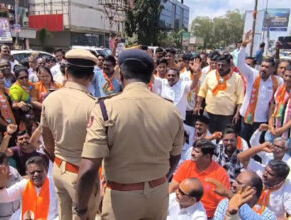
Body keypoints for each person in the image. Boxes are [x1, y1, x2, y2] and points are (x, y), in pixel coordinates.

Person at [75, 49, 184, 220]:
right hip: (158, 193)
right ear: (150, 77)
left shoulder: (105, 109)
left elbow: (89, 168)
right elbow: (175, 156)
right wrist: (156, 180)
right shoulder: (171, 110)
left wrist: (81, 209)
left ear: (121, 75)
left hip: (121, 198)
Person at [41, 48, 100, 220]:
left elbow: (47, 140)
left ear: (66, 72)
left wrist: (59, 159)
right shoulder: (93, 106)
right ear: (91, 77)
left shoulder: (50, 99)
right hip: (82, 176)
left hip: (59, 168)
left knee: (64, 215)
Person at [238, 31, 282, 142]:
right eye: (262, 66)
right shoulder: (252, 74)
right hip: (246, 118)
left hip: (262, 121)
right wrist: (243, 46)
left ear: (272, 69)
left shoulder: (278, 81)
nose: (263, 68)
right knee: (243, 144)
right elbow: (240, 64)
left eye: (267, 67)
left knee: (256, 146)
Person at [170, 140, 231, 218]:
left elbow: (224, 204)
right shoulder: (186, 165)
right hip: (181, 209)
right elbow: (172, 189)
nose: (192, 153)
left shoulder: (220, 174)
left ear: (207, 156)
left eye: (197, 152)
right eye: (193, 150)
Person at [237, 151, 291, 218]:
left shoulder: (289, 190)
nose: (264, 174)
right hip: (245, 214)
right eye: (265, 170)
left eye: (270, 174)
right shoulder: (261, 172)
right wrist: (261, 147)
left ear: (279, 179)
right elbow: (241, 157)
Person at [0, 156, 58, 220]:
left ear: (46, 170)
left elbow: (61, 213)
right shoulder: (24, 184)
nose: (36, 174)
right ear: (27, 173)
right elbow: (2, 198)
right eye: (32, 172)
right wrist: (0, 187)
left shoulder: (56, 186)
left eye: (39, 171)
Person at [195, 54, 245, 133]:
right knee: (207, 135)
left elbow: (240, 98)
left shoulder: (237, 78)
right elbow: (202, 91)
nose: (220, 67)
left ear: (229, 66)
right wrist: (198, 105)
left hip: (226, 115)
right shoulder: (210, 75)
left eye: (223, 65)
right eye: (219, 65)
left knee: (222, 137)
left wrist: (237, 114)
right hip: (209, 112)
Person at [212, 171, 277, 220]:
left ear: (252, 190)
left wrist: (230, 195)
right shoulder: (225, 203)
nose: (234, 185)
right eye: (235, 181)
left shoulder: (268, 215)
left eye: (239, 183)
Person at [0, 152, 22, 220]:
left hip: (18, 214)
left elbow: (23, 187)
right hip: (1, 218)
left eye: (5, 165)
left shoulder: (14, 171)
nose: (2, 170)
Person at [180, 55, 207, 126]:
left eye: (196, 64)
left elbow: (203, 93)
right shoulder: (182, 75)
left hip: (198, 108)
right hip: (185, 108)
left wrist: (198, 105)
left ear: (200, 64)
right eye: (191, 64)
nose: (194, 66)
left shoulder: (205, 77)